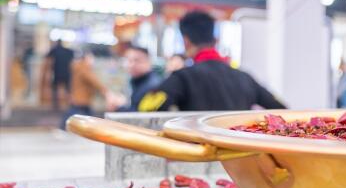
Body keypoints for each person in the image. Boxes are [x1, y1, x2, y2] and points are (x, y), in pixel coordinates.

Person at [138, 10, 285, 111]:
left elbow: (147, 108)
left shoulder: (183, 77)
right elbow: (281, 109)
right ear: (216, 40)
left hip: (198, 148)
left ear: (186, 41)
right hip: (238, 148)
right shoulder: (245, 78)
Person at [61, 50, 118, 128]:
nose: (93, 61)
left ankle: (64, 127)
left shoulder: (78, 66)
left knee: (77, 115)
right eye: (91, 58)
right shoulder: (83, 67)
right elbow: (94, 81)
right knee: (83, 117)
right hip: (81, 98)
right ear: (86, 58)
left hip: (78, 97)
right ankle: (64, 127)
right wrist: (106, 91)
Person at [122, 46, 163, 111]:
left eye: (137, 60)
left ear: (148, 62)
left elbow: (144, 114)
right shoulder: (135, 80)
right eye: (129, 60)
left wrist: (119, 107)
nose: (131, 65)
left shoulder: (153, 86)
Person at [46, 39, 73, 110]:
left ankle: (55, 104)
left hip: (57, 72)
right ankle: (69, 104)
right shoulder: (68, 51)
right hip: (67, 72)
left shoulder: (54, 50)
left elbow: (47, 56)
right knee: (68, 89)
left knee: (55, 89)